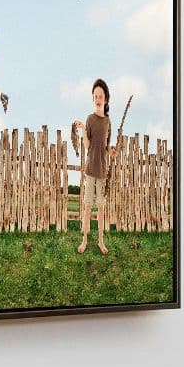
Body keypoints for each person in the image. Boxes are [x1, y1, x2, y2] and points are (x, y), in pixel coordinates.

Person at [76, 79, 111, 255]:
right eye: (95, 96)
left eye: (101, 96)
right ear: (93, 98)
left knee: (101, 207)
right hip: (91, 170)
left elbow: (106, 146)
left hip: (102, 171)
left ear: (106, 99)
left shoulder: (108, 122)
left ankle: (100, 242)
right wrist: (83, 128)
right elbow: (88, 146)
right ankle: (84, 241)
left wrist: (111, 151)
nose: (98, 99)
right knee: (88, 206)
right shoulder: (90, 119)